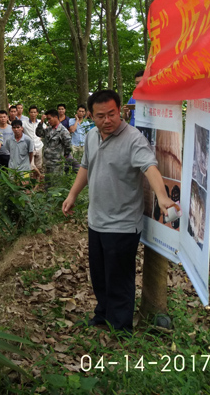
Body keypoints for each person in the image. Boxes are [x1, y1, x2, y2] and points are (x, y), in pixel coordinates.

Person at [62, 89, 176, 333]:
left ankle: (120, 326)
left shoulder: (134, 139)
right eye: (101, 115)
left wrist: (163, 196)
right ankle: (102, 314)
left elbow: (150, 167)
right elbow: (85, 167)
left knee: (119, 277)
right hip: (96, 220)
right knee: (100, 275)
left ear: (120, 111)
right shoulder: (92, 136)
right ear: (91, 115)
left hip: (123, 224)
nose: (107, 120)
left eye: (112, 114)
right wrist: (72, 195)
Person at [36, 109, 74, 177]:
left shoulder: (63, 131)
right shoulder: (49, 129)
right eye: (47, 119)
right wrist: (41, 122)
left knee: (56, 184)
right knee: (47, 184)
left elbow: (68, 147)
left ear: (56, 117)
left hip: (57, 164)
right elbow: (39, 133)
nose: (48, 121)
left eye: (50, 119)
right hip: (47, 163)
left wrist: (62, 157)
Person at [23, 106, 44, 171]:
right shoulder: (24, 123)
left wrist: (41, 137)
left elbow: (46, 131)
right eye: (31, 112)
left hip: (39, 146)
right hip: (29, 148)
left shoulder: (40, 122)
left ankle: (37, 180)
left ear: (37, 113)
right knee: (31, 167)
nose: (33, 114)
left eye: (34, 112)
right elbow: (18, 129)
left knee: (39, 166)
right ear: (29, 113)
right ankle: (31, 180)